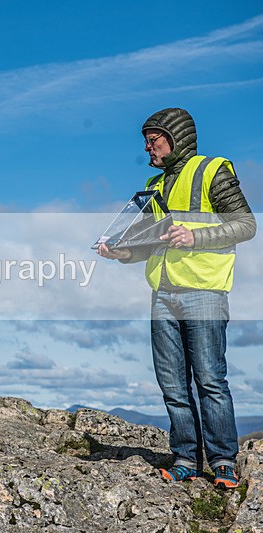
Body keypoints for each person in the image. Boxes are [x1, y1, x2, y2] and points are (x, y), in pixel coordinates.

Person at [98, 108, 256, 489]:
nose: (148, 148)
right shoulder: (155, 184)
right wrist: (123, 252)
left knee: (210, 380)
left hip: (203, 290)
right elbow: (151, 239)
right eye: (147, 141)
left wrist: (195, 236)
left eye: (154, 140)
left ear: (176, 138)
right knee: (171, 382)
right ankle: (185, 456)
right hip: (163, 292)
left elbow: (246, 224)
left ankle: (222, 462)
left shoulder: (212, 170)